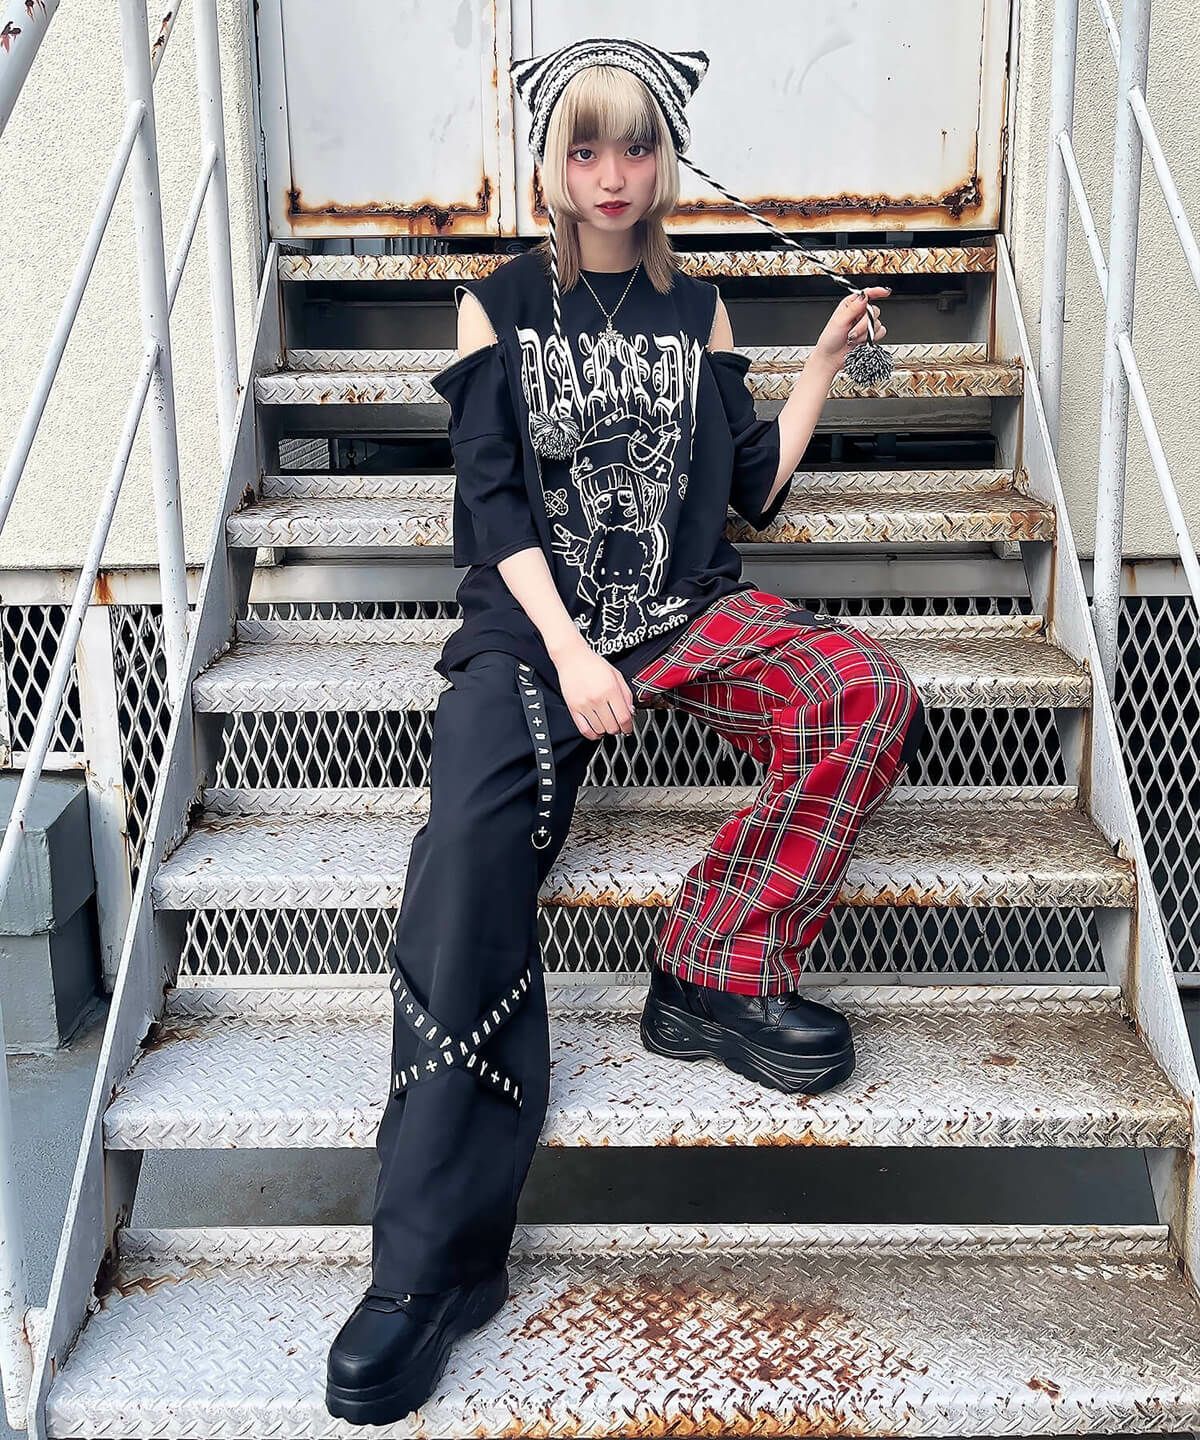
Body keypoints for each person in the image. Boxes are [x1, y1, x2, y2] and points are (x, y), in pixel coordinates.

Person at [325, 35, 926, 1427]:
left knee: (863, 692)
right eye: (585, 147)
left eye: (637, 146)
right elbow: (492, 504)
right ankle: (428, 1269)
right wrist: (571, 653)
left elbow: (748, 490)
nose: (613, 174)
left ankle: (713, 962)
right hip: (535, 633)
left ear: (666, 161)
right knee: (466, 857)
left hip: (680, 611)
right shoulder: (496, 307)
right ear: (550, 162)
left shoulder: (697, 310)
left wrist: (820, 367)